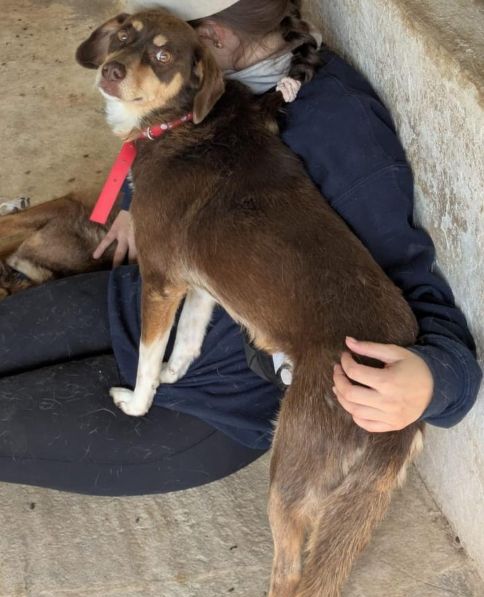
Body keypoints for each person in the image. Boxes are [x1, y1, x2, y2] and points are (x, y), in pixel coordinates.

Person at [0, 0, 480, 495]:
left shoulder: (339, 129)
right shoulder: (206, 86)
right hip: (138, 303)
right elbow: (156, 138)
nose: (135, 56)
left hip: (209, 399)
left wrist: (433, 380)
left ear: (210, 38)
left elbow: (414, 288)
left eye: (160, 47)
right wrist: (133, 201)